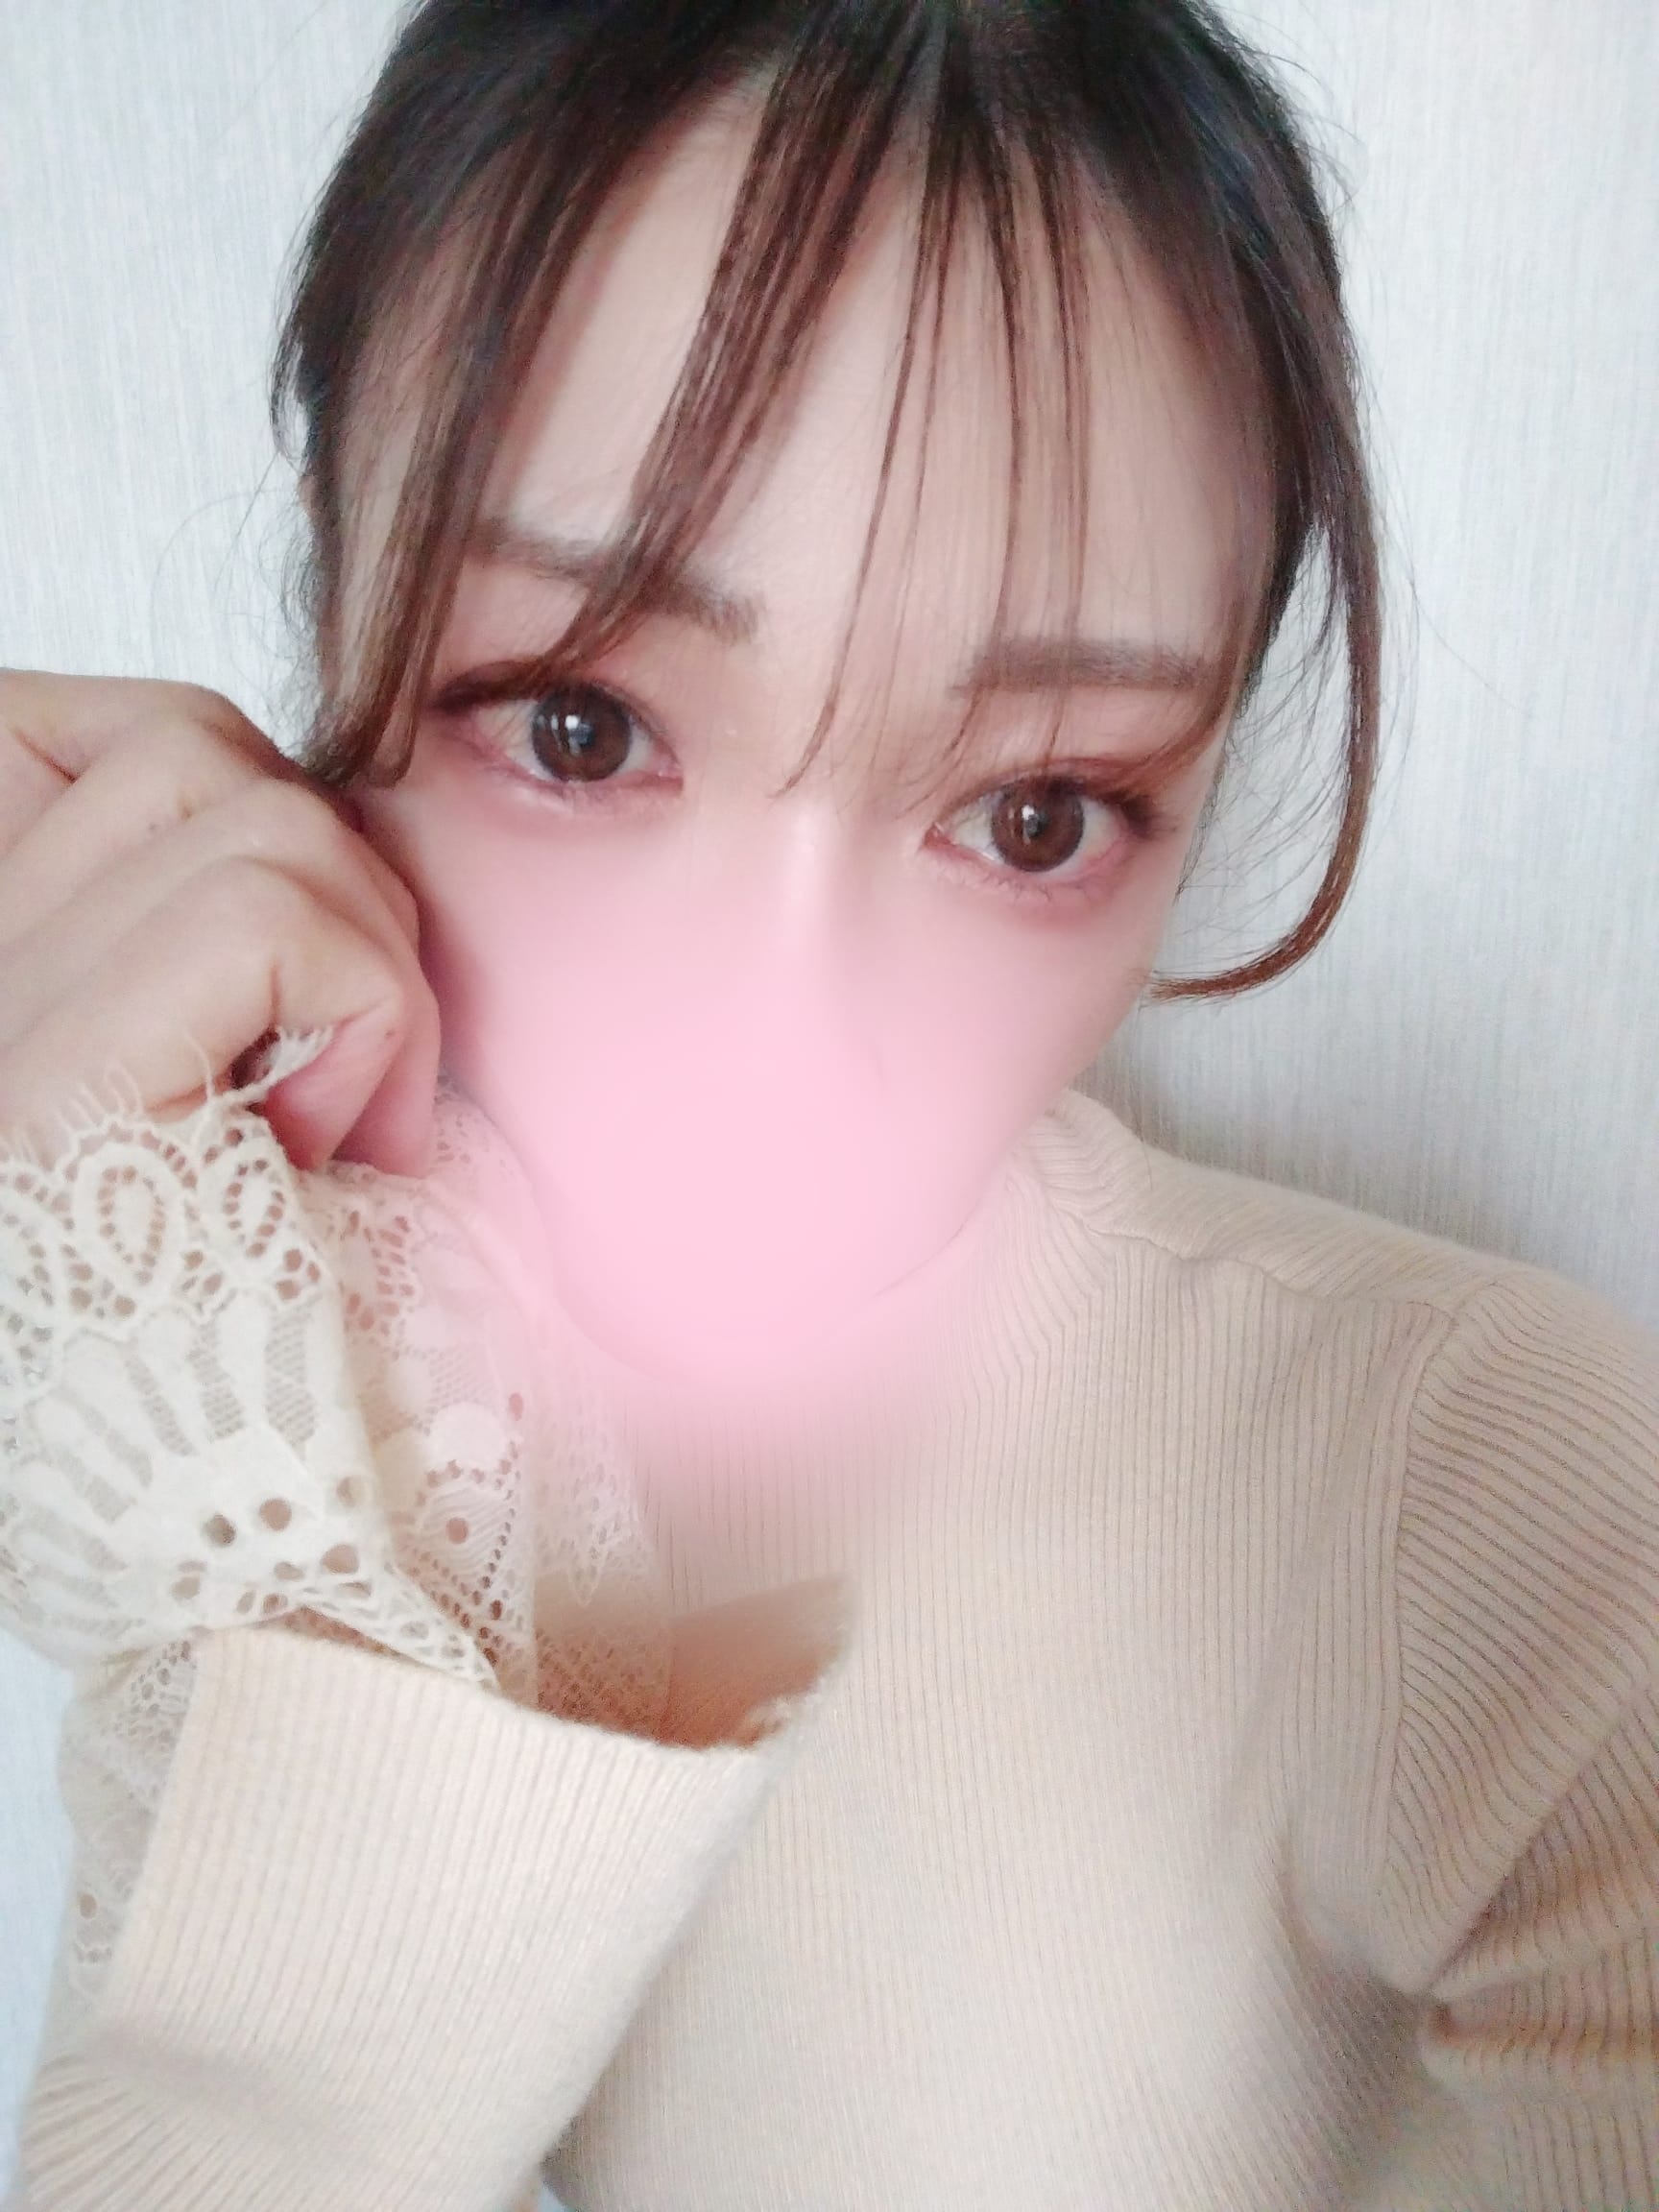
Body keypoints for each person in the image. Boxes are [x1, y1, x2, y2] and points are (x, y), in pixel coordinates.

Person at [2, 2, 1655, 2207]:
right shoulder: (283, 1379)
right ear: (332, 602)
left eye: (1038, 811)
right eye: (580, 728)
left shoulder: (1483, 1492)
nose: (773, 1043)